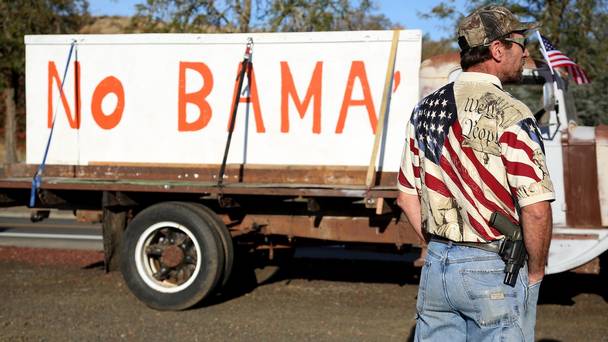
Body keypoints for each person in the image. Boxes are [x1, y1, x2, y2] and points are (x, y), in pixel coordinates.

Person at [396, 5, 554, 342]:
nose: (525, 55)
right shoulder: (512, 113)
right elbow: (537, 210)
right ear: (498, 50)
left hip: (437, 265)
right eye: (520, 46)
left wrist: (441, 248)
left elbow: (406, 196)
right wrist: (537, 271)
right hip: (492, 268)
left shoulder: (423, 109)